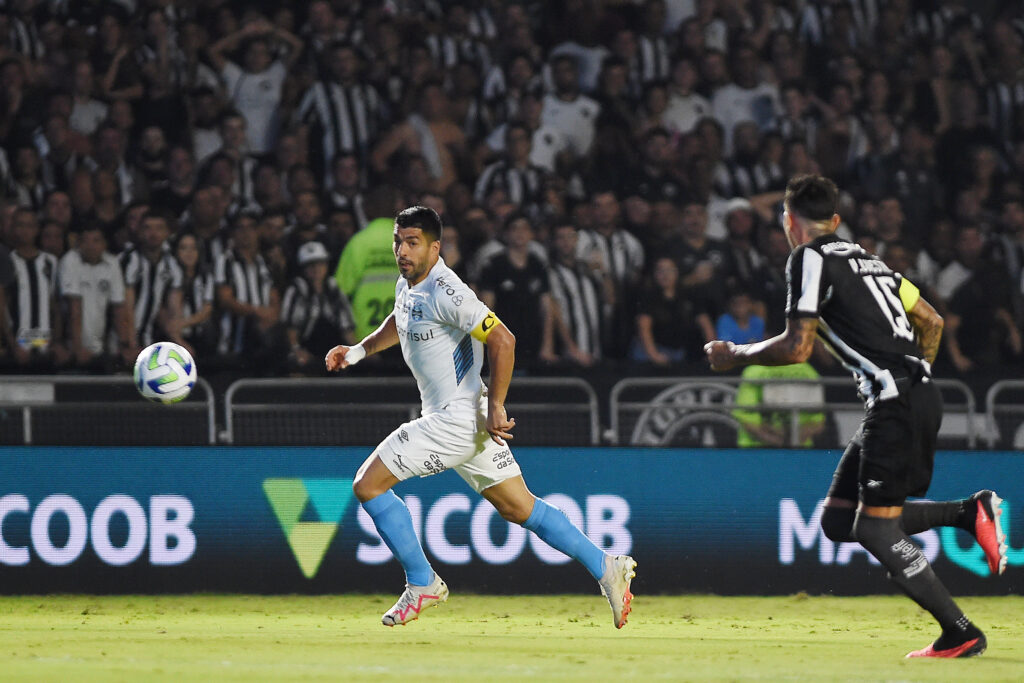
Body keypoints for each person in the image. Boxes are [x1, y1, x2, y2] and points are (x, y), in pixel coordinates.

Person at [705, 174, 1008, 658]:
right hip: (914, 396)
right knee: (839, 520)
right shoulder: (868, 259)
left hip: (895, 403)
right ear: (837, 220)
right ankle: (968, 512)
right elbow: (931, 319)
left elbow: (798, 346)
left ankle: (961, 631)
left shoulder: (807, 257)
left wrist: (735, 354)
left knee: (875, 528)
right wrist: (917, 375)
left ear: (789, 220)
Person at [325, 206, 636, 628]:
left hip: (454, 420)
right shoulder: (409, 282)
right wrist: (358, 351)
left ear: (435, 248)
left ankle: (422, 583)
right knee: (520, 507)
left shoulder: (447, 291)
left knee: (368, 484)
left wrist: (497, 406)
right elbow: (400, 321)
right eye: (398, 241)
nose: (402, 250)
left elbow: (503, 341)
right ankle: (606, 566)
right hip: (464, 419)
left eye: (412, 242)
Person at [732, 362, 825, 448]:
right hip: (799, 450)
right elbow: (817, 422)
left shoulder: (754, 371)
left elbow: (746, 416)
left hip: (755, 450)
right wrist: (793, 442)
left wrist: (776, 441)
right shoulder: (808, 371)